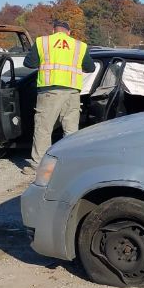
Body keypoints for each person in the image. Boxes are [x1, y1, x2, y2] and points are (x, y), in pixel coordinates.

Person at [21, 20, 95, 174]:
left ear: (53, 30)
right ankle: (71, 164)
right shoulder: (79, 45)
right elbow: (90, 67)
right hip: (73, 93)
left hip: (49, 92)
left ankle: (38, 166)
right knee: (71, 130)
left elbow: (28, 63)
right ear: (69, 32)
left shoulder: (43, 42)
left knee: (43, 129)